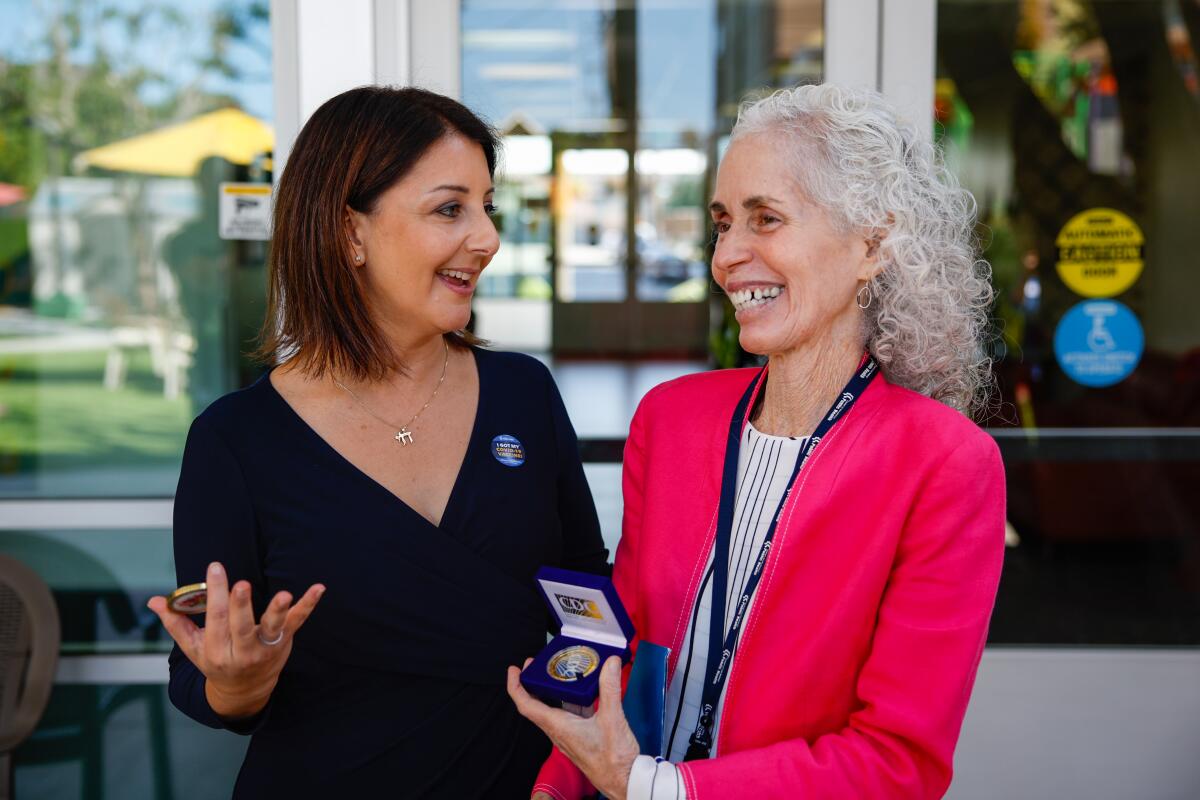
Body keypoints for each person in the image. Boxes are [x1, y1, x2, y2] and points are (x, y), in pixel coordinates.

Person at [507, 83, 1005, 799]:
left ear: (872, 243)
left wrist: (651, 786)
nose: (727, 256)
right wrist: (559, 782)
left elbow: (899, 764)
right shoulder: (670, 419)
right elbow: (621, 634)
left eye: (765, 219)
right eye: (721, 224)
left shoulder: (944, 465)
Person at [146, 86, 608, 798]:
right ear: (347, 232)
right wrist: (238, 684)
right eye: (450, 208)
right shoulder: (235, 442)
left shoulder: (523, 393)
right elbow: (204, 679)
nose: (486, 237)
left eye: (489, 207)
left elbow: (582, 586)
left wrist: (574, 766)